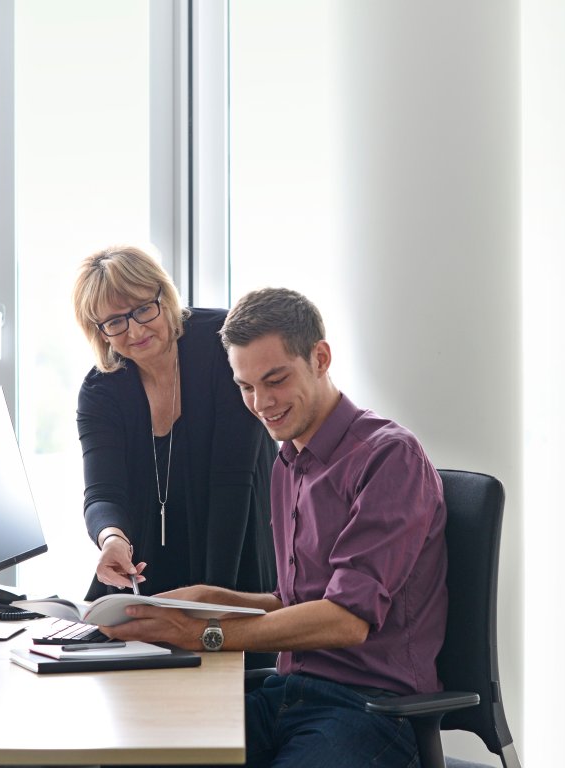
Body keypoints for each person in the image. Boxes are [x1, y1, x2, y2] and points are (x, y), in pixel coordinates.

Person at [102, 287, 449, 768]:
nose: (261, 403)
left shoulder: (388, 458)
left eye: (276, 380)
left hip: (369, 711)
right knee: (133, 750)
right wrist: (212, 600)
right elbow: (301, 604)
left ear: (320, 358)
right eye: (245, 386)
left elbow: (345, 618)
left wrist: (205, 634)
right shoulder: (289, 462)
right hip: (287, 696)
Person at [72, 246, 277, 637]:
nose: (134, 331)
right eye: (114, 322)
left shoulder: (223, 346)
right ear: (98, 332)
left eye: (142, 310)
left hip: (237, 555)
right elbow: (102, 493)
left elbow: (234, 483)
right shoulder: (101, 390)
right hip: (147, 574)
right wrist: (111, 538)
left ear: (164, 297)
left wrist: (210, 611)